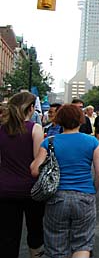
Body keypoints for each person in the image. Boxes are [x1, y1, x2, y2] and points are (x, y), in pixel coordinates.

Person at [31, 104, 99, 258]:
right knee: (83, 243)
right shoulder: (92, 142)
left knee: (56, 245)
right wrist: (93, 189)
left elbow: (34, 170)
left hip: (56, 197)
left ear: (59, 121)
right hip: (85, 195)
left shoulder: (49, 142)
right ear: (80, 120)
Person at [0, 92, 45, 258]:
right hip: (31, 190)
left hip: (5, 189)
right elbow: (36, 163)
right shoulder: (35, 129)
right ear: (31, 108)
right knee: (35, 233)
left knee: (8, 236)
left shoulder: (2, 129)